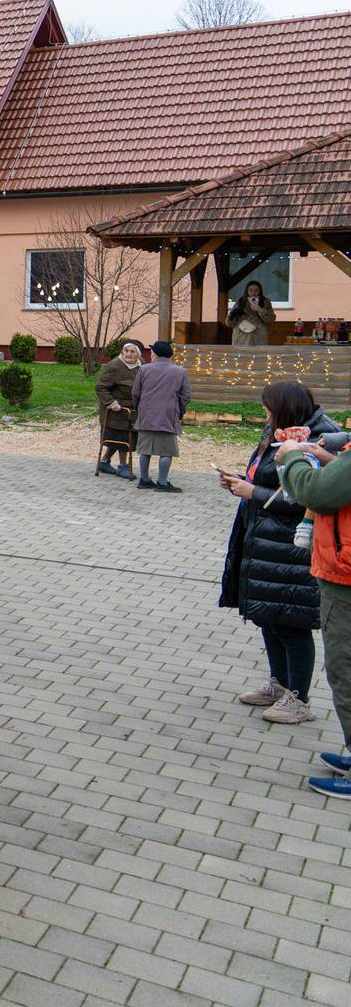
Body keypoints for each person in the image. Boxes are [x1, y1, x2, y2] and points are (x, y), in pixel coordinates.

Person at [219, 382, 337, 726]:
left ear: (285, 407)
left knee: (291, 621)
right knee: (268, 616)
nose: (264, 414)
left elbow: (309, 495)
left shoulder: (320, 440)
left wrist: (253, 491)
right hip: (265, 540)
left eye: (268, 407)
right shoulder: (277, 432)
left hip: (293, 547)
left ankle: (298, 699)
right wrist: (240, 482)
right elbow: (272, 481)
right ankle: (280, 684)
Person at [271, 425, 351, 800]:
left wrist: (293, 459)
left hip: (346, 579)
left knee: (346, 671)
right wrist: (330, 461)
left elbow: (316, 493)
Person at [130, 339, 190, 491]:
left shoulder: (144, 370)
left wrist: (139, 408)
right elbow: (185, 397)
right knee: (167, 451)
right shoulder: (180, 372)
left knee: (145, 449)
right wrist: (180, 411)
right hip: (168, 415)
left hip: (147, 415)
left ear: (155, 353)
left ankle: (144, 480)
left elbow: (135, 393)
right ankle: (162, 482)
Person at [95, 339, 142, 479]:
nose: (128, 354)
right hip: (116, 410)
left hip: (132, 410)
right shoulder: (115, 366)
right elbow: (100, 386)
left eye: (132, 352)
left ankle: (104, 462)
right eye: (126, 351)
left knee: (122, 438)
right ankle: (123, 467)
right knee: (122, 438)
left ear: (138, 355)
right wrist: (111, 402)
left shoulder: (142, 366)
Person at [229, 280, 276, 346]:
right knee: (241, 355)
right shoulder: (240, 302)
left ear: (260, 291)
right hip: (241, 337)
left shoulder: (265, 302)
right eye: (250, 290)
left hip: (258, 337)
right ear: (247, 291)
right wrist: (233, 316)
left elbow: (271, 319)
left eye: (256, 290)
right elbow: (229, 323)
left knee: (258, 355)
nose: (253, 293)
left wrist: (260, 310)